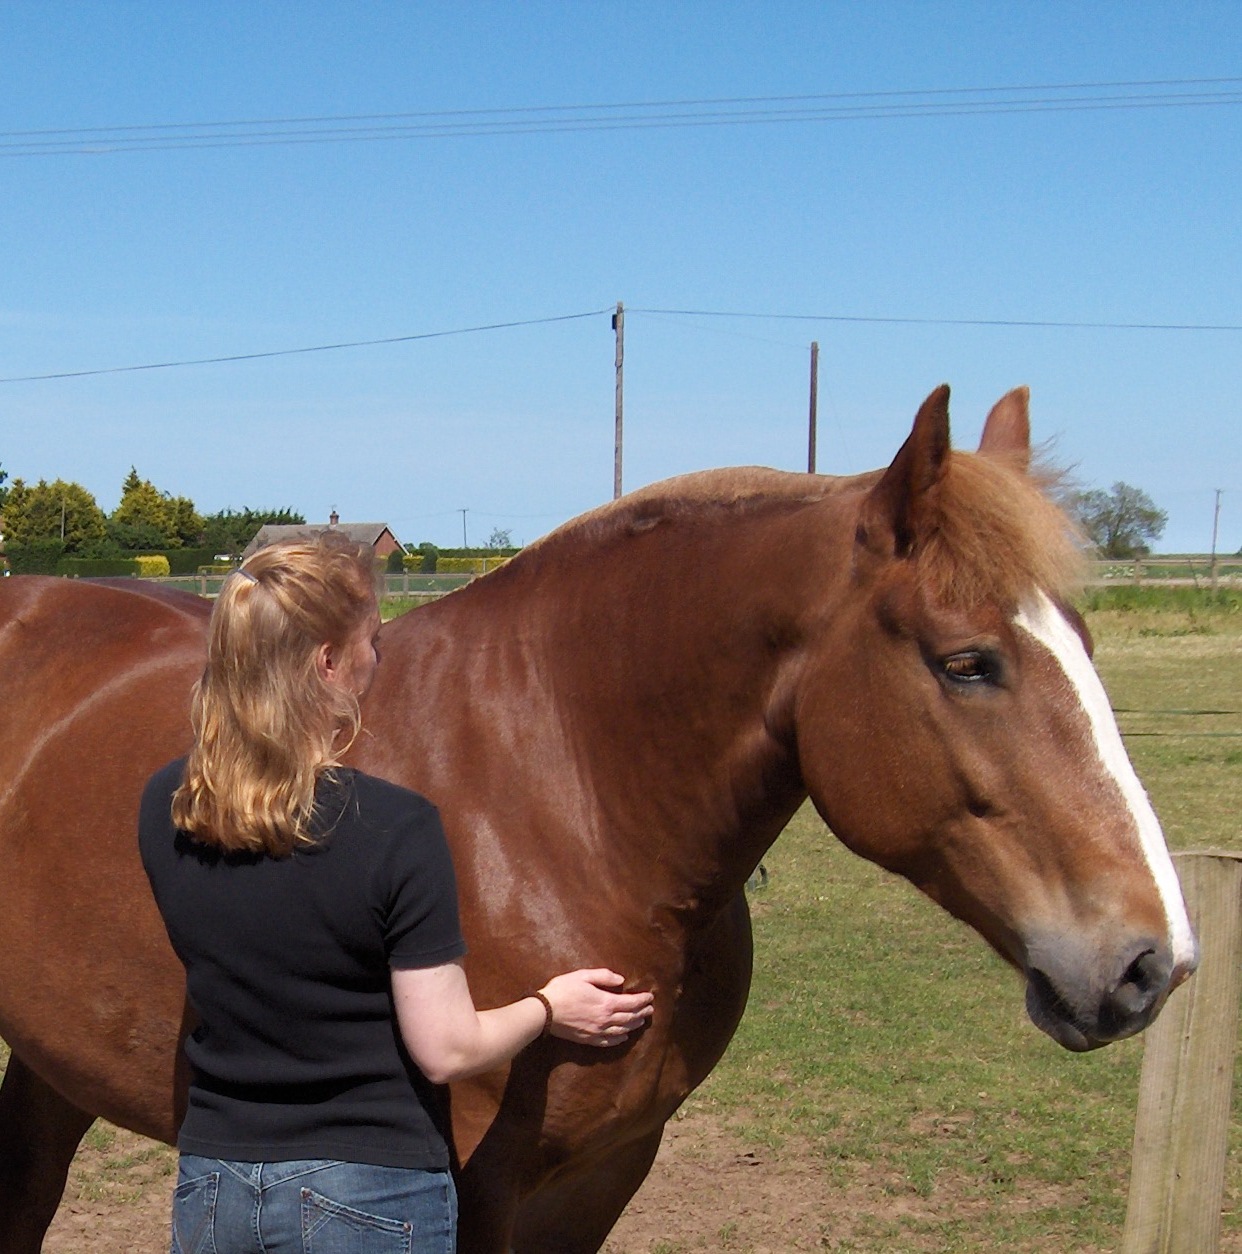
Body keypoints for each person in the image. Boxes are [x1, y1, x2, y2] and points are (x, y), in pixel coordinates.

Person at [139, 533, 653, 1253]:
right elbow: (445, 1048)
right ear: (328, 665)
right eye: (372, 641)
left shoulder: (166, 803)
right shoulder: (395, 829)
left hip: (214, 1187)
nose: (379, 658)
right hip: (365, 1193)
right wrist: (546, 1008)